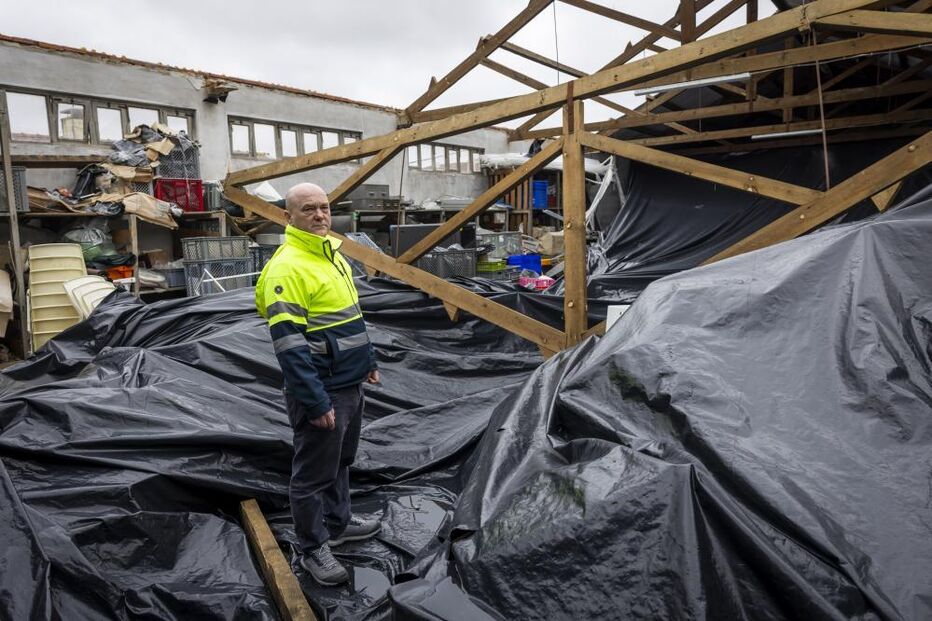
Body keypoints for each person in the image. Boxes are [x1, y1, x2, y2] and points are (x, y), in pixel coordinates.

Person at [256, 182, 381, 585]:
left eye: (324, 208)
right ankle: (312, 548)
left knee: (341, 460)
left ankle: (339, 523)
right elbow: (289, 346)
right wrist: (315, 402)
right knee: (311, 476)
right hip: (323, 389)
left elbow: (351, 319)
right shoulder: (287, 267)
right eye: (308, 209)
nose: (319, 215)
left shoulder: (332, 255)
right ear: (287, 216)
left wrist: (368, 362)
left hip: (350, 382)